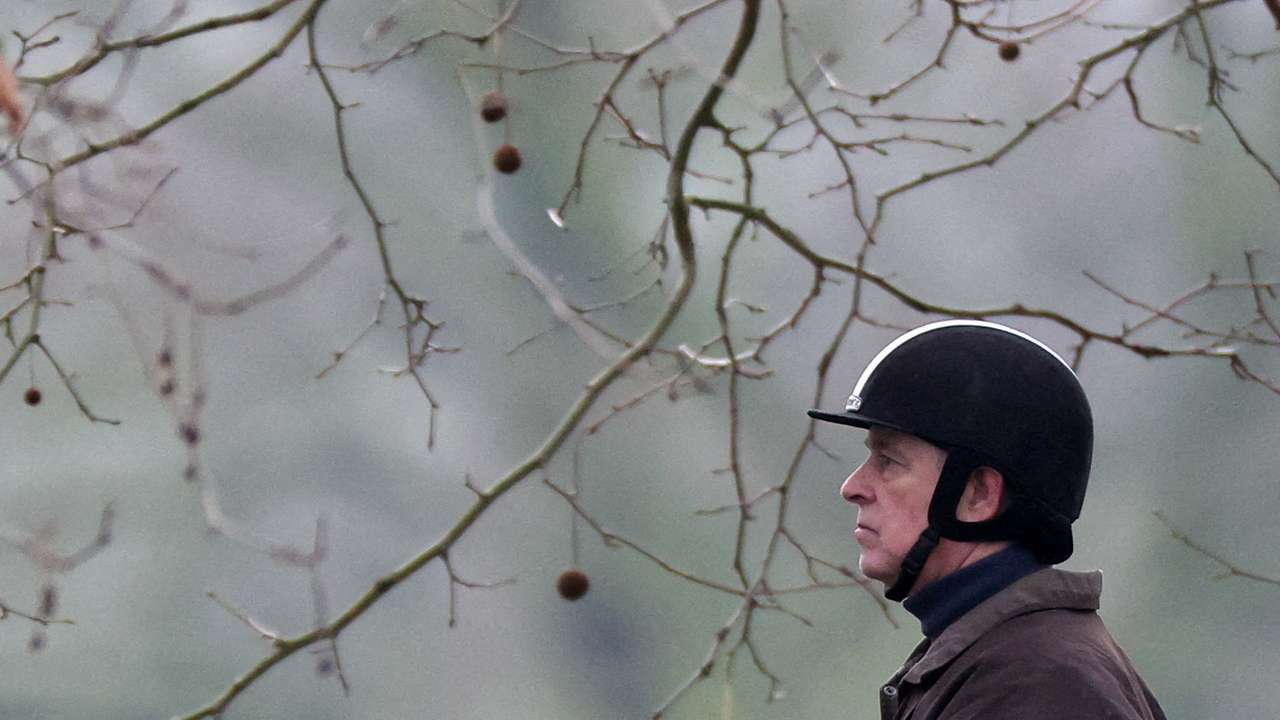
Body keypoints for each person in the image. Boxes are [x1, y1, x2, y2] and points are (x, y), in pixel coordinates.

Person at [808, 320, 1167, 720]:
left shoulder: (1040, 685)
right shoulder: (999, 664)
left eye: (889, 461)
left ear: (978, 494)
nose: (853, 486)